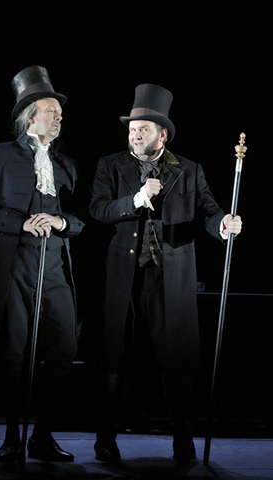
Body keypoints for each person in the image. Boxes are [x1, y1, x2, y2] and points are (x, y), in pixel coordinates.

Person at [89, 84, 242, 463]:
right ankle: (105, 438)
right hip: (126, 275)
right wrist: (136, 199)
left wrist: (223, 223)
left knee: (177, 360)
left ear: (162, 134)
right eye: (131, 129)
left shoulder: (188, 170)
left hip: (171, 276)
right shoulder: (111, 165)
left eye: (142, 129)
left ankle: (183, 440)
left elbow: (207, 210)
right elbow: (98, 209)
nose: (134, 135)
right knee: (117, 357)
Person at [0, 65, 85, 463]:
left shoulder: (66, 166)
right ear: (30, 115)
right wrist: (19, 222)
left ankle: (43, 435)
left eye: (59, 112)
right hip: (15, 264)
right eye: (52, 110)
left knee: (63, 348)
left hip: (54, 267)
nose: (59, 116)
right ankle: (12, 437)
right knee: (14, 353)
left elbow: (82, 218)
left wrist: (62, 222)